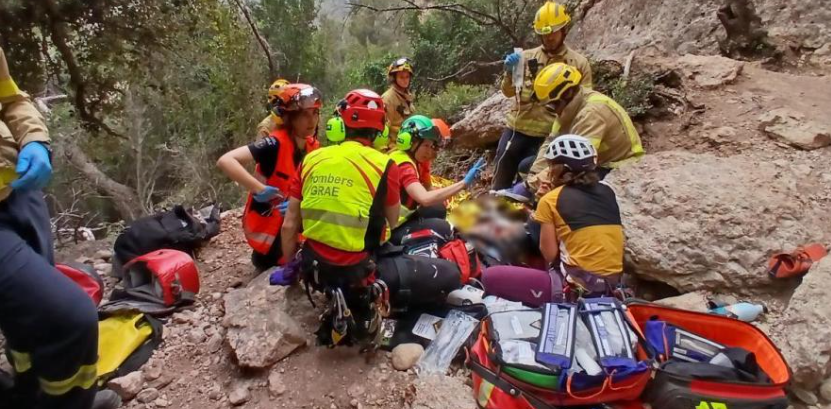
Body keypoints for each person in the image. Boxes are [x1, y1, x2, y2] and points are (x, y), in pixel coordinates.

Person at [0, 47, 119, 409]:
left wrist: (34, 139)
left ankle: (31, 392)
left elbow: (11, 98)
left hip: (18, 193)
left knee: (26, 317)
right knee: (71, 319)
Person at [281, 89, 400, 347]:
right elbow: (394, 222)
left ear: (342, 123)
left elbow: (290, 224)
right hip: (358, 268)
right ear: (379, 129)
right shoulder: (385, 164)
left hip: (315, 267)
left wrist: (290, 267)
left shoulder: (312, 159)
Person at [482, 135, 624, 304]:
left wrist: (541, 204)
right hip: (612, 283)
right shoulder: (608, 191)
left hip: (577, 287)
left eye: (551, 166)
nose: (548, 171)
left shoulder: (550, 200)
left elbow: (549, 254)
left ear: (561, 169)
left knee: (491, 277)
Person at [217, 83, 322, 271]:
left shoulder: (313, 147)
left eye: (314, 113)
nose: (311, 120)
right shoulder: (274, 143)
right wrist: (260, 189)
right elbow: (226, 160)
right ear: (290, 117)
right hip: (270, 228)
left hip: (292, 221)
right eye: (304, 114)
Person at [492, 1, 593, 191]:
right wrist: (508, 72)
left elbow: (584, 103)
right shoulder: (525, 57)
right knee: (501, 172)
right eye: (543, 33)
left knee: (531, 176)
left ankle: (525, 210)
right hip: (517, 129)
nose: (548, 38)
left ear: (564, 29)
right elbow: (508, 92)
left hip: (548, 134)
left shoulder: (578, 63)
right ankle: (495, 206)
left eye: (553, 32)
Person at [526, 63, 644, 195]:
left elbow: (575, 160)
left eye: (553, 106)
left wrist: (534, 184)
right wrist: (532, 177)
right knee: (526, 166)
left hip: (614, 165)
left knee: (568, 185)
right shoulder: (568, 108)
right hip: (591, 160)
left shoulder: (592, 113)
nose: (553, 111)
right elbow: (550, 144)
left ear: (568, 93)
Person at [388, 115, 485, 242]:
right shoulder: (404, 165)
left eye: (431, 146)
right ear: (410, 143)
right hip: (391, 230)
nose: (429, 152)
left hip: (398, 221)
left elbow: (427, 189)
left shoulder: (407, 158)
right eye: (425, 146)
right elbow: (425, 198)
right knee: (443, 229)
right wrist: (463, 183)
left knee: (437, 209)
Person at [381, 57, 416, 147]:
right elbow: (384, 128)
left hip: (410, 144)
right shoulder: (388, 98)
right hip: (395, 147)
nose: (405, 80)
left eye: (407, 77)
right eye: (401, 77)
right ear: (394, 78)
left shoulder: (408, 96)